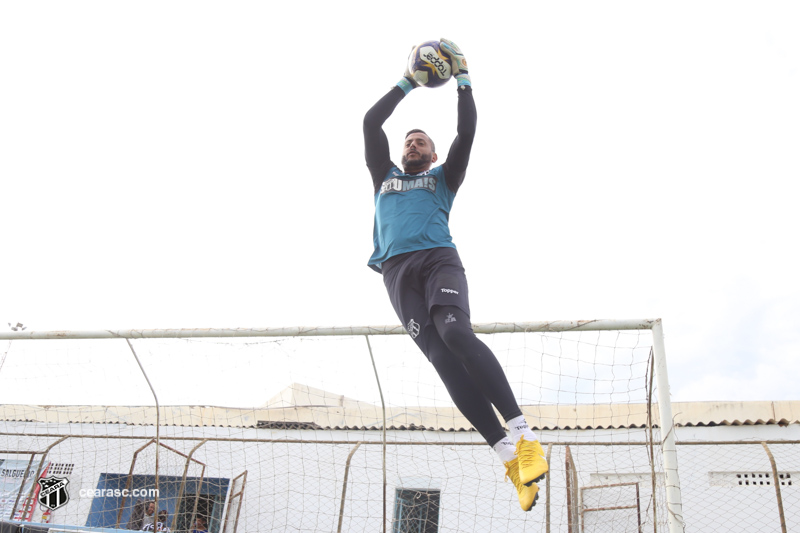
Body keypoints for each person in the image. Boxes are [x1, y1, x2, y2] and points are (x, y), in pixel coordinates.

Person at [363, 39, 549, 512]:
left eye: (421, 141)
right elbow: (370, 122)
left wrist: (462, 80)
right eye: (409, 141)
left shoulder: (443, 177)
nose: (412, 144)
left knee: (455, 333)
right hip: (396, 274)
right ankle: (509, 459)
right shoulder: (383, 175)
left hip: (438, 259)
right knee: (442, 360)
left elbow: (466, 134)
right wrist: (409, 80)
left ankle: (524, 435)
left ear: (431, 153)